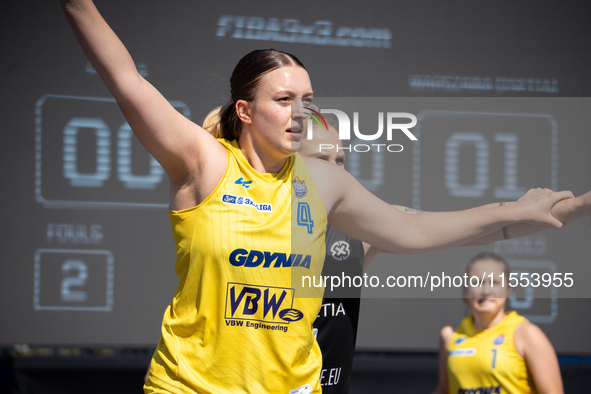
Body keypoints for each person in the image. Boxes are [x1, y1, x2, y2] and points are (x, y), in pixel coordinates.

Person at [60, 1, 584, 392]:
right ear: (244, 111)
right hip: (190, 386)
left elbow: (414, 228)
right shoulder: (205, 162)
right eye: (283, 99)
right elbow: (125, 78)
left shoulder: (323, 181)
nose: (300, 112)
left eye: (307, 100)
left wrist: (512, 212)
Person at [297, 111, 590, 394]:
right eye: (320, 160)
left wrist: (575, 208)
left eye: (340, 161)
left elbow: (470, 228)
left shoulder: (358, 234)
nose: (335, 172)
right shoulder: (257, 227)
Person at [433, 252, 564, 394]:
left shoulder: (526, 333)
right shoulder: (450, 335)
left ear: (508, 288)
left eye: (495, 282)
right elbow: (444, 390)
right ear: (465, 289)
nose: (486, 291)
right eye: (477, 282)